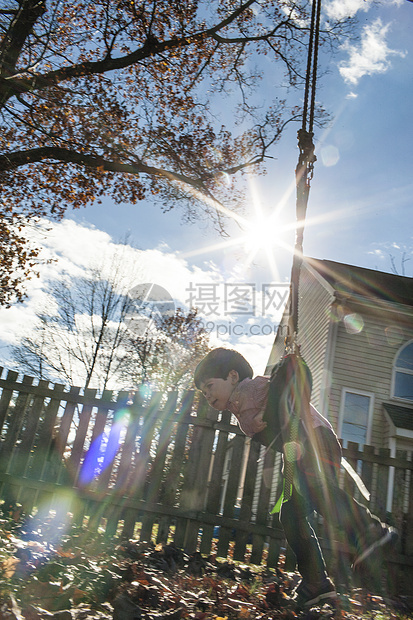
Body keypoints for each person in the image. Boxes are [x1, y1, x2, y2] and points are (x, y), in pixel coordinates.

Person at [194, 347, 397, 609]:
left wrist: (289, 363)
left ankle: (370, 531)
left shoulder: (255, 387)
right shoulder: (240, 413)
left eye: (210, 385)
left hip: (314, 439)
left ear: (232, 376)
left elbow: (293, 378)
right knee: (290, 514)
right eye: (203, 392)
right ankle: (316, 582)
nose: (207, 394)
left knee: (313, 487)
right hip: (296, 453)